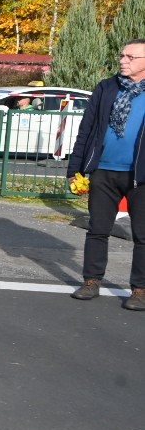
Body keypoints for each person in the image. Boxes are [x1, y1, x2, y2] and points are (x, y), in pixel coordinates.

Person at [66, 40, 145, 310]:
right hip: (103, 171)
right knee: (97, 230)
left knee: (143, 235)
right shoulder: (107, 87)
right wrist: (75, 168)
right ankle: (91, 281)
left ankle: (140, 289)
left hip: (140, 176)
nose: (123, 60)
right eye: (122, 55)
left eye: (131, 57)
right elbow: (86, 130)